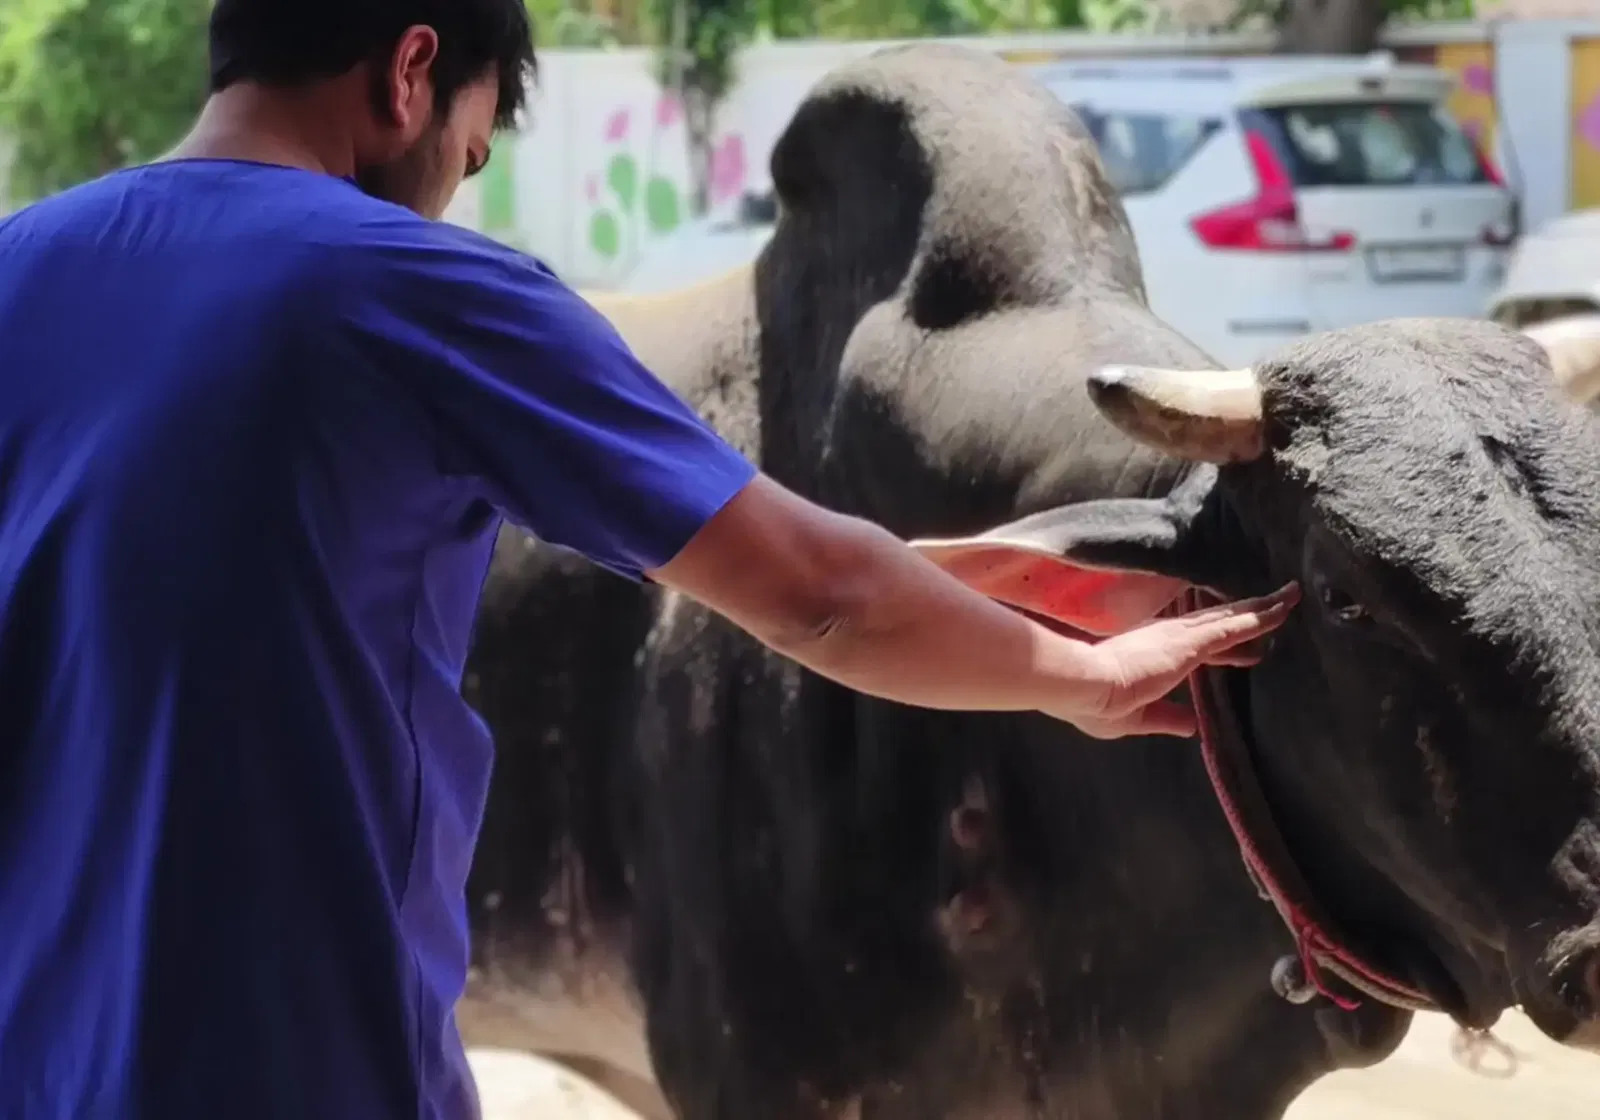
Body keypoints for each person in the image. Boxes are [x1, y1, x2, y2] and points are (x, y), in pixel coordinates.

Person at [0, 2, 1298, 1117]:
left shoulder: (21, 274)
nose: (457, 184)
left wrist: (963, 576)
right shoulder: (409, 290)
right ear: (408, 72)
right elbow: (816, 596)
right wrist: (1082, 680)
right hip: (302, 1069)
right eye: (471, 145)